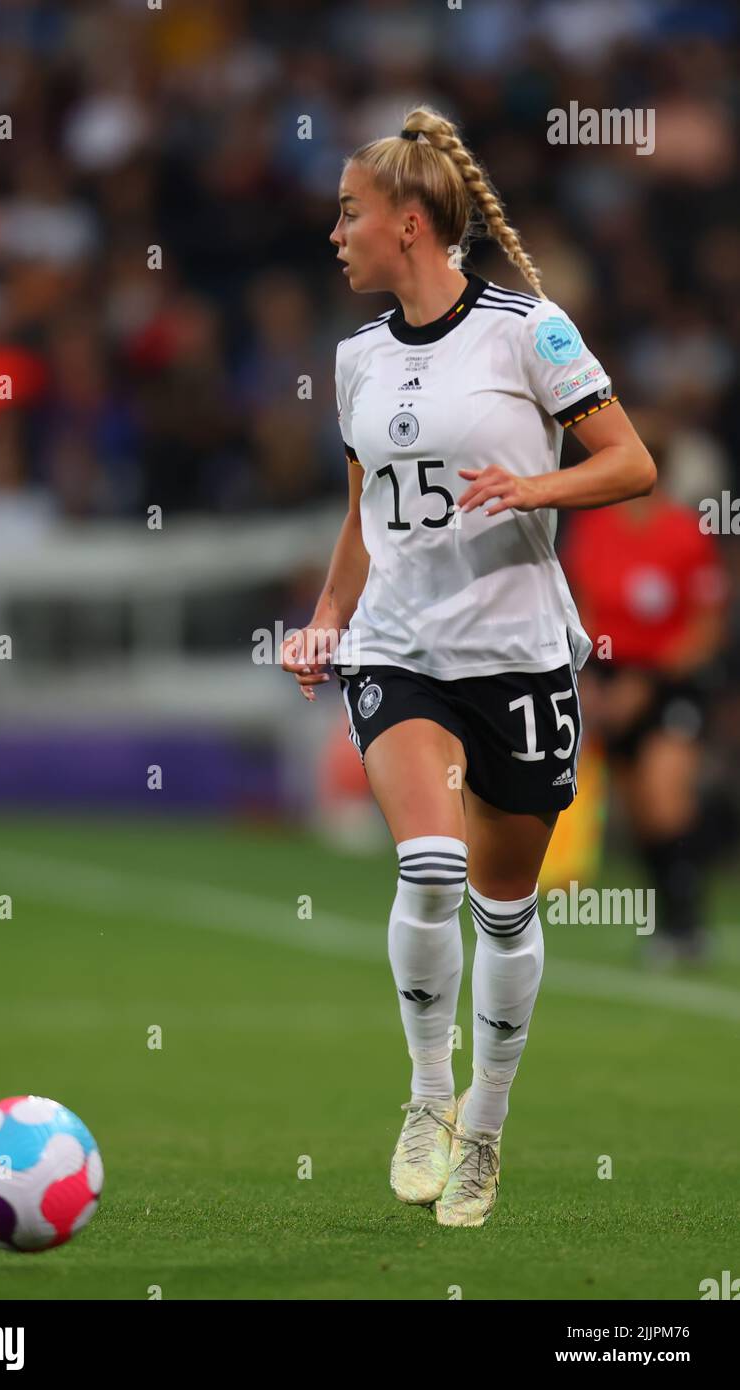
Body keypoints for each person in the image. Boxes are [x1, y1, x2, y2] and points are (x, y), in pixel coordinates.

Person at [282, 106, 656, 1228]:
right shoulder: (354, 360)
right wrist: (326, 616)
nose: (335, 233)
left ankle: (486, 1129)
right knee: (431, 866)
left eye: (349, 213)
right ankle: (428, 1095)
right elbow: (365, 512)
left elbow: (633, 461)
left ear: (409, 222)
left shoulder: (529, 331)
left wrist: (532, 488)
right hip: (402, 651)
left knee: (503, 909)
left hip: (520, 657)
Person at [560, 415, 728, 965]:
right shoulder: (595, 530)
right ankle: (669, 923)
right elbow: (579, 608)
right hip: (609, 681)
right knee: (638, 809)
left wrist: (647, 682)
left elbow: (706, 626)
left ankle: (688, 921)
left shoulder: (685, 534)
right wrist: (587, 679)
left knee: (665, 794)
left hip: (669, 681)